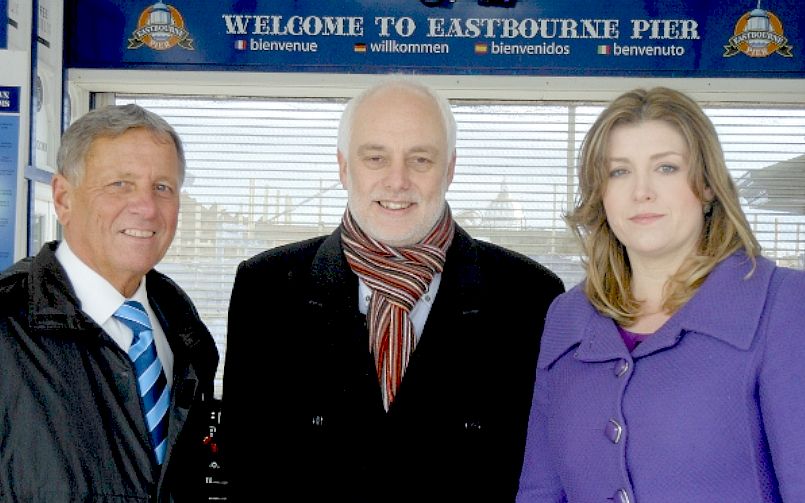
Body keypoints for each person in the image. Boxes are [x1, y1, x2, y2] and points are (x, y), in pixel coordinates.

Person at [221, 76, 565, 502]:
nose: (397, 180)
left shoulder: (530, 297)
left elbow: (541, 475)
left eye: (420, 160)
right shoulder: (267, 288)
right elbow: (246, 469)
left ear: (450, 169)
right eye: (376, 158)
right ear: (344, 167)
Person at [516, 87, 805, 502]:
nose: (642, 191)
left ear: (706, 186)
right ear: (600, 193)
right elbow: (541, 489)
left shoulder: (783, 304)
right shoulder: (567, 316)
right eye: (619, 172)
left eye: (666, 168)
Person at [0, 104, 219, 501]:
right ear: (63, 199)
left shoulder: (183, 325)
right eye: (120, 184)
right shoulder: (6, 326)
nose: (147, 208)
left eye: (163, 187)